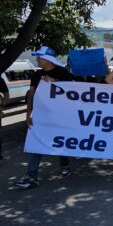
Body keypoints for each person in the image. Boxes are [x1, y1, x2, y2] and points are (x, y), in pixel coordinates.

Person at [14, 46, 73, 190]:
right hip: (41, 116)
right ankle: (31, 176)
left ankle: (64, 165)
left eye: (39, 57)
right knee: (37, 142)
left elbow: (73, 92)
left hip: (60, 116)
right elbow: (31, 96)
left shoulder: (63, 73)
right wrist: (28, 115)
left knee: (60, 140)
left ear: (47, 59)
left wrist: (54, 82)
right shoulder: (36, 75)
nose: (37, 60)